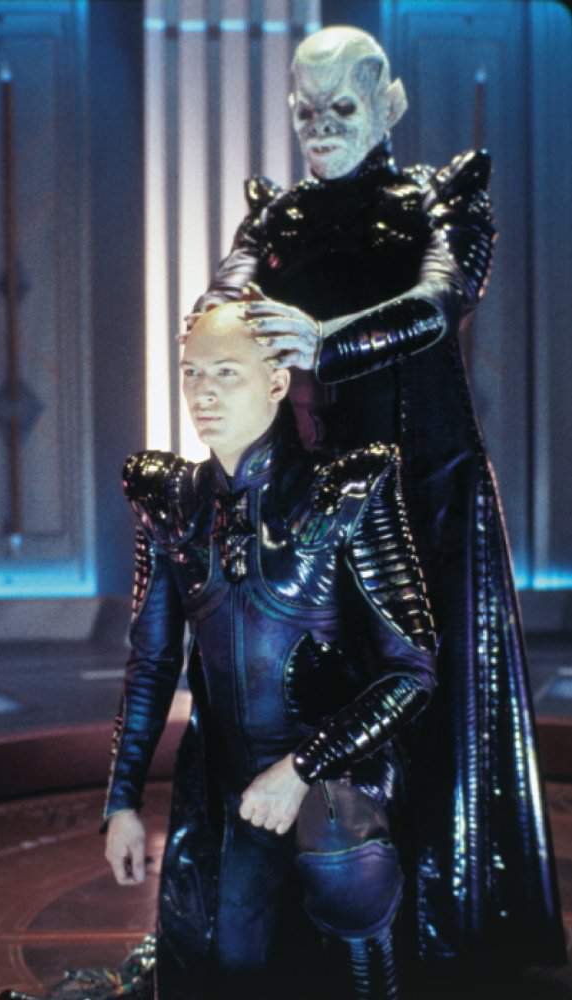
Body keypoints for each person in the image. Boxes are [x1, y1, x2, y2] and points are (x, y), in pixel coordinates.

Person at [191, 25, 566, 974]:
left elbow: (439, 300)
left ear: (389, 104)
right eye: (305, 110)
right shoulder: (272, 221)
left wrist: (325, 342)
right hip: (313, 509)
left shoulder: (442, 198)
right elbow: (221, 303)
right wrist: (230, 334)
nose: (320, 126)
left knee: (430, 703)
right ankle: (311, 931)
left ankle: (438, 933)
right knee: (312, 697)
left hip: (428, 499)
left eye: (342, 107)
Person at [103, 301, 438, 999]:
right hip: (227, 785)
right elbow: (152, 663)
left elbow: (411, 671)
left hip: (338, 777)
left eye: (227, 372)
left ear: (277, 383)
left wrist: (303, 768)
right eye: (192, 373)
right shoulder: (168, 501)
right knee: (227, 969)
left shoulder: (348, 486)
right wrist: (121, 801)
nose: (203, 392)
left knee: (343, 856)